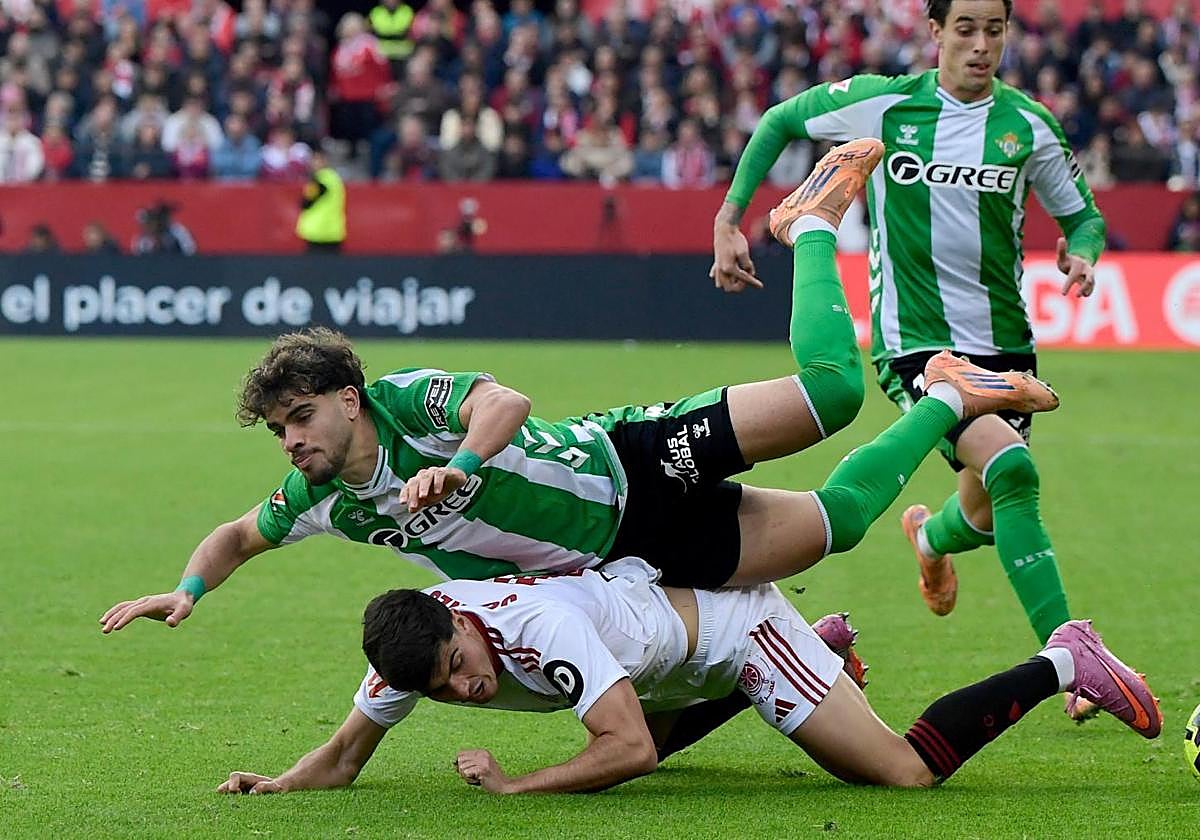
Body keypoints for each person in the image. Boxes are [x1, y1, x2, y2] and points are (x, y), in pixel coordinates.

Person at [100, 140, 1054, 634]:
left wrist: (459, 466)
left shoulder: (404, 401)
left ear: (348, 397)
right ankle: (944, 395)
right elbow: (235, 536)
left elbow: (504, 405)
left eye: (298, 418)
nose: (291, 443)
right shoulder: (322, 498)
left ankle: (809, 223)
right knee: (838, 525)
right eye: (277, 431)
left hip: (626, 456)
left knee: (834, 396)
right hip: (624, 555)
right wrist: (186, 590)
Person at [710, 1, 1107, 720]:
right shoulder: (884, 104)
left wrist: (1083, 252)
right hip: (915, 341)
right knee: (1013, 469)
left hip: (1005, 346)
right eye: (965, 29)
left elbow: (1081, 214)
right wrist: (730, 216)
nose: (981, 45)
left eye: (994, 30)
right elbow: (777, 122)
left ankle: (930, 536)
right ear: (935, 33)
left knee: (986, 508)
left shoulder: (1029, 127)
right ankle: (1074, 660)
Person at [215, 557, 1160, 796]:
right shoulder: (412, 643)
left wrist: (513, 785)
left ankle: (1061, 657)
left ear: (466, 621)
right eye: (444, 688)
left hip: (738, 632)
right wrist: (280, 783)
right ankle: (823, 654)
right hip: (665, 662)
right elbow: (344, 757)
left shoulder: (537, 629)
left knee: (904, 772)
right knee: (633, 748)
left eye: (462, 669)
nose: (465, 690)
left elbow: (618, 746)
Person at [295, 149, 346, 254]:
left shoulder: (319, 180)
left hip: (318, 232)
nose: (313, 163)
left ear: (325, 161)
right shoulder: (334, 178)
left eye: (317, 159)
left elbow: (306, 202)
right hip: (333, 231)